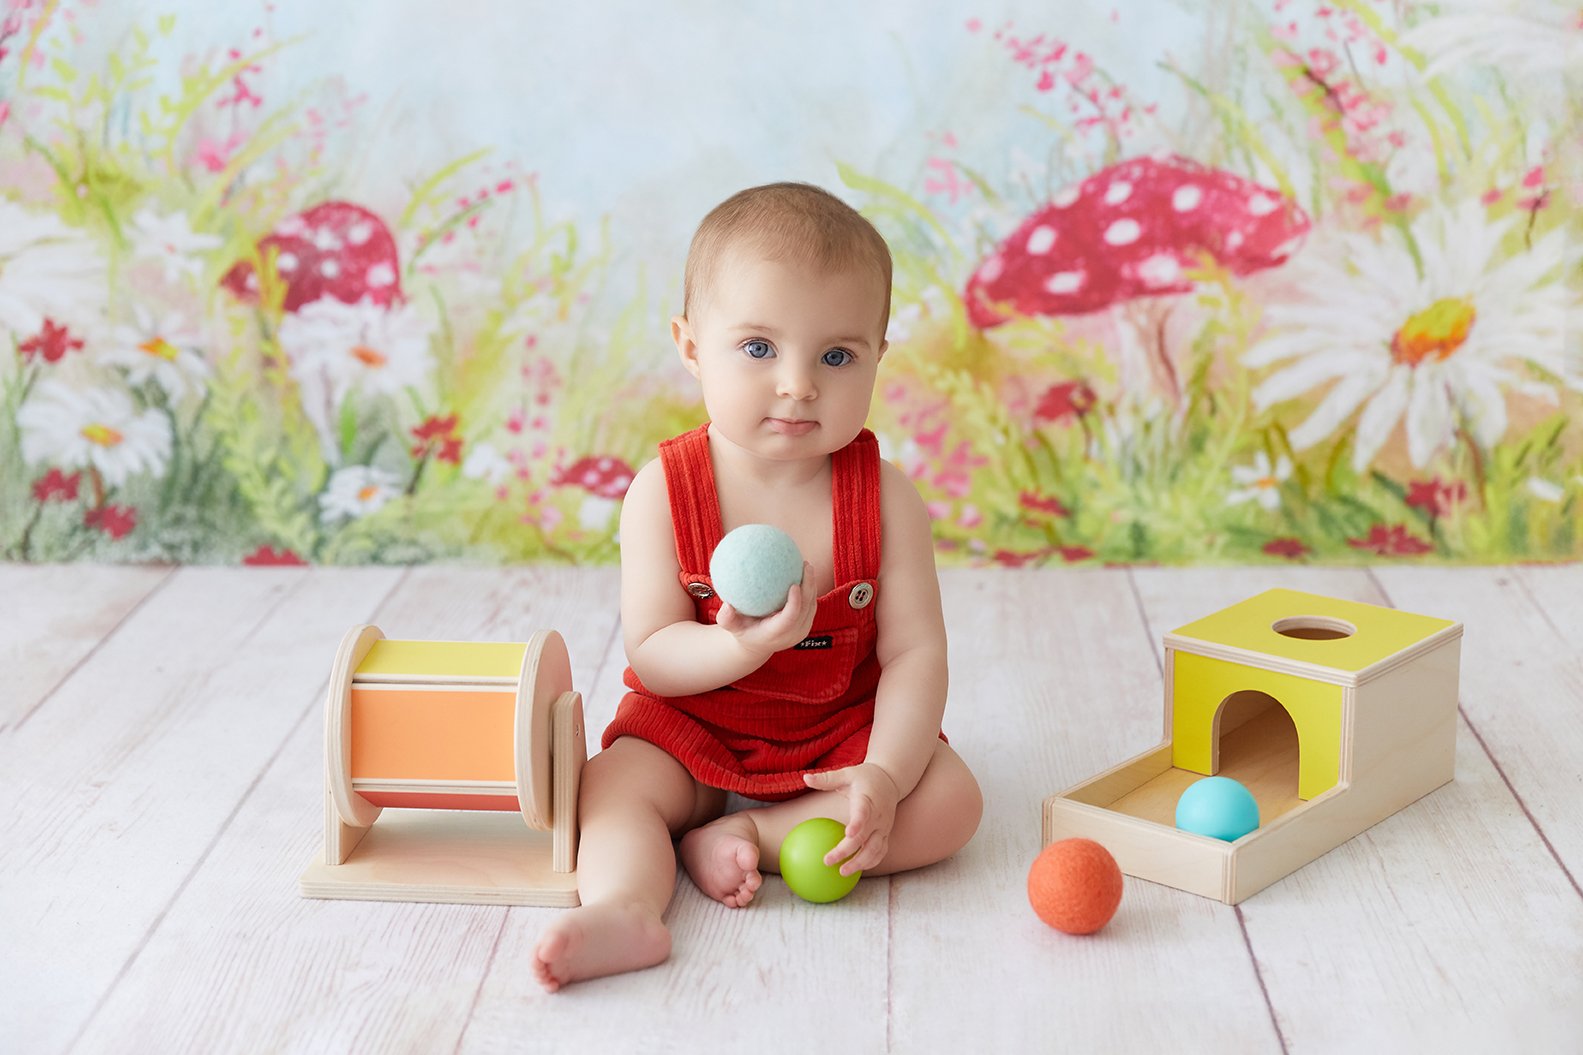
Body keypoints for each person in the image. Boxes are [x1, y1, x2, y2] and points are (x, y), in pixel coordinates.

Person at [532, 182, 982, 992]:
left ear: (879, 354)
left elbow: (915, 653)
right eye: (758, 348)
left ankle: (752, 839)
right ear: (691, 344)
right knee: (608, 788)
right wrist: (735, 645)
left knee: (950, 801)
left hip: (831, 739)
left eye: (836, 355)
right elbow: (655, 654)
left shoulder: (883, 496)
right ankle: (627, 906)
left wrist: (881, 770)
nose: (798, 384)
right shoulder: (663, 492)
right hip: (691, 725)